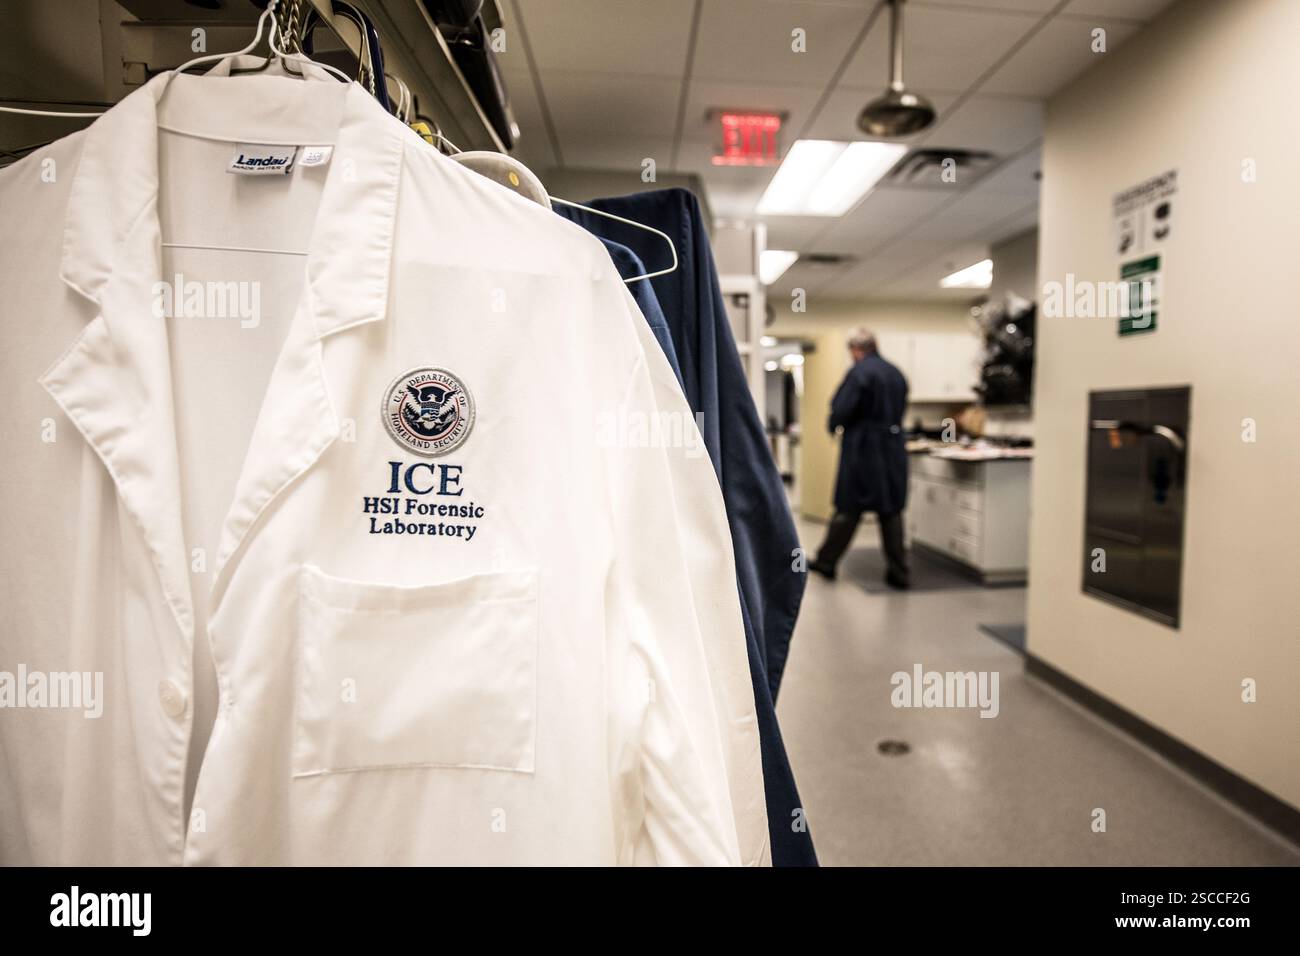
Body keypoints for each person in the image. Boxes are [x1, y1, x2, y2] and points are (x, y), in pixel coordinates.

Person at [808, 328, 911, 588]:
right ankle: (899, 573)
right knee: (891, 510)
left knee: (848, 507)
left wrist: (833, 425)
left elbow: (841, 409)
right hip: (893, 447)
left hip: (863, 448)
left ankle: (826, 562)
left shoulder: (859, 373)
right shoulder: (896, 373)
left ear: (855, 349)